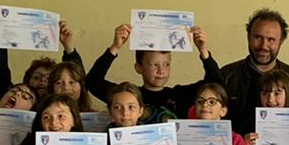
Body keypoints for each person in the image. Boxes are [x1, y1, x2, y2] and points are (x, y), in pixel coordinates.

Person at [86, 20, 223, 121]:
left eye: (166, 64)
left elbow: (216, 84)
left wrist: (203, 51)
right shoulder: (128, 96)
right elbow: (92, 81)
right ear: (139, 68)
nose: (161, 70)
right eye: (154, 65)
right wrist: (115, 47)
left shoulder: (180, 96)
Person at [219, 8, 289, 134]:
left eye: (271, 40)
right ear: (248, 37)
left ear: (281, 42)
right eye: (258, 37)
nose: (263, 46)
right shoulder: (226, 76)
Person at [0, 10, 83, 104]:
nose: (42, 81)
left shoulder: (66, 107)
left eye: (48, 78)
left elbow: (78, 77)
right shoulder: (14, 101)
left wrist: (68, 46)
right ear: (27, 81)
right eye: (36, 77)